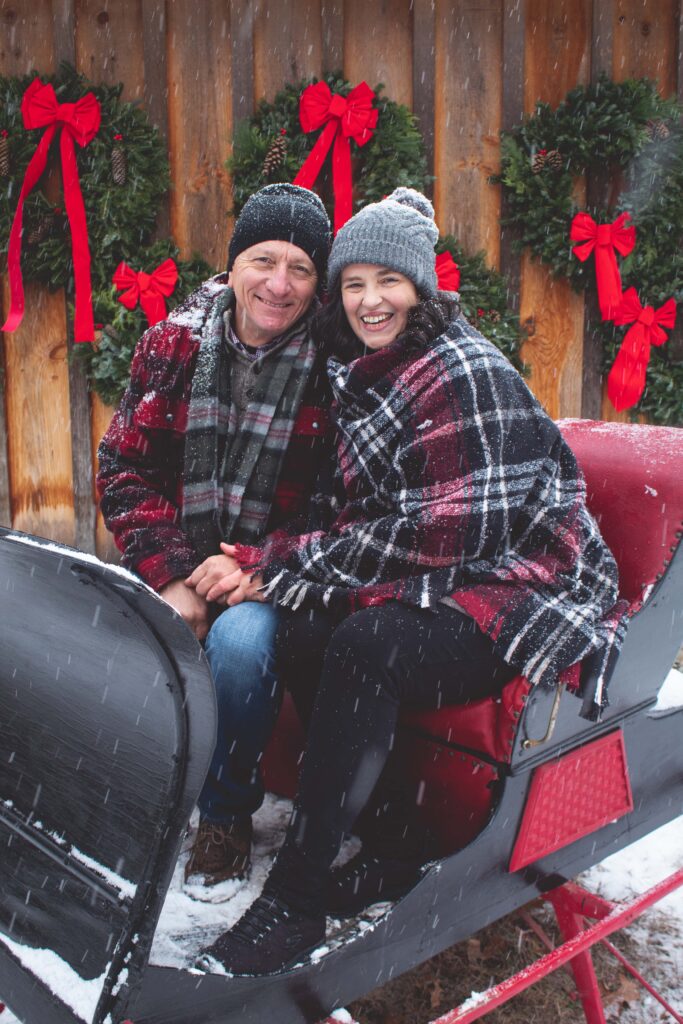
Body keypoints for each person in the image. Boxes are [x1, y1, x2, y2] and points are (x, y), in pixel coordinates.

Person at [195, 187, 627, 974]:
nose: (368, 301)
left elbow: (442, 533)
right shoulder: (366, 371)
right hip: (444, 571)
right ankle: (396, 841)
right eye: (353, 282)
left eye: (387, 283)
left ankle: (295, 898)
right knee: (300, 625)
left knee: (364, 641)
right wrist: (272, 563)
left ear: (421, 289)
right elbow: (351, 511)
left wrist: (279, 566)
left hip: (518, 583)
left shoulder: (460, 370)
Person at [96, 183, 333, 889]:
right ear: (233, 265)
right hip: (184, 555)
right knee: (139, 632)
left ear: (319, 284)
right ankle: (138, 796)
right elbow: (123, 466)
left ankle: (225, 813)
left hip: (279, 572)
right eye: (263, 260)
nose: (279, 284)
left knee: (240, 643)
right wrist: (173, 572)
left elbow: (343, 501)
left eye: (301, 268)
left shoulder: (336, 364)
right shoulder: (173, 343)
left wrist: (260, 569)